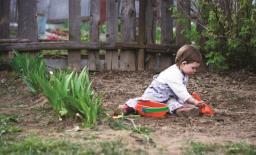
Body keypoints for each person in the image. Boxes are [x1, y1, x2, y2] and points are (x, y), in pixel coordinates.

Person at [118, 44, 205, 117]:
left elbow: (180, 92)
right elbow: (181, 92)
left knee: (172, 103)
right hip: (156, 94)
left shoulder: (184, 73)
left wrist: (186, 102)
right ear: (184, 63)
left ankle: (181, 110)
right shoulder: (174, 74)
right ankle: (126, 107)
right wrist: (194, 101)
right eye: (193, 68)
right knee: (144, 103)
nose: (195, 71)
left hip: (168, 97)